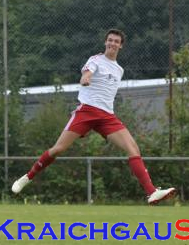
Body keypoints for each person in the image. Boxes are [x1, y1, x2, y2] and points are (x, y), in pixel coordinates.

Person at [12, 29, 176, 204]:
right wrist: (85, 78)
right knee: (58, 149)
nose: (112, 43)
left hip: (107, 116)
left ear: (121, 46)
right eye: (110, 40)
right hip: (87, 111)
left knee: (133, 149)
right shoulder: (95, 60)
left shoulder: (119, 70)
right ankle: (27, 177)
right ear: (105, 42)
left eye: (116, 41)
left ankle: (151, 192)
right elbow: (87, 73)